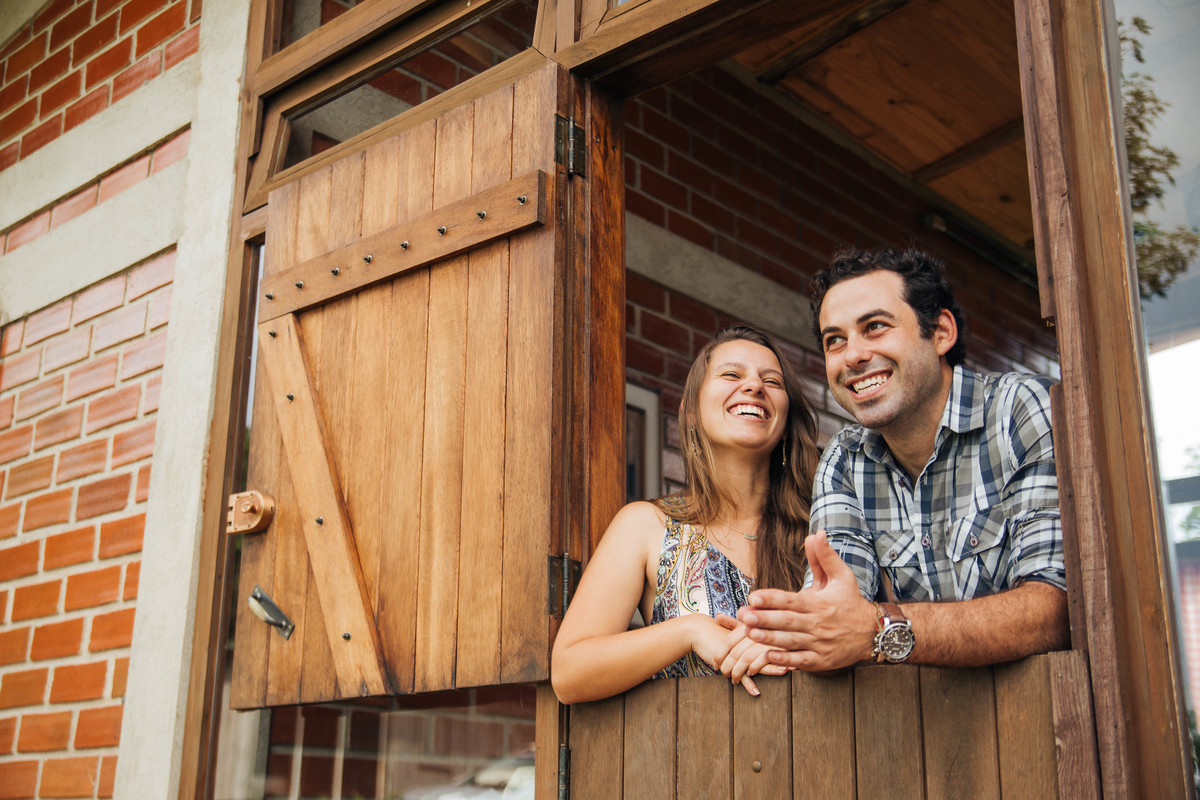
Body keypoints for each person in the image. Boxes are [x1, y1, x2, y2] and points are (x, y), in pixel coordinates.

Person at [738, 247, 1069, 670]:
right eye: (834, 340)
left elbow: (1056, 610)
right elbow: (836, 616)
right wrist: (780, 636)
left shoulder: (1019, 410)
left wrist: (880, 628)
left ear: (941, 332)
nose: (853, 355)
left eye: (874, 327)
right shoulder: (844, 460)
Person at [551, 325, 822, 703]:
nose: (755, 387)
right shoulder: (647, 526)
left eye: (772, 382)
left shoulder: (823, 528)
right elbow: (568, 674)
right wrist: (690, 631)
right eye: (732, 374)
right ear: (691, 412)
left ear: (785, 420)